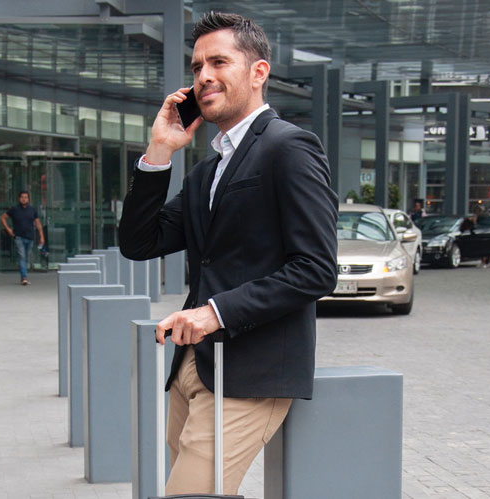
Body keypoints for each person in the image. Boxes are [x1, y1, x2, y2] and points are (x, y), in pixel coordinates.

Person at [118, 12, 338, 495]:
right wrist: (159, 151)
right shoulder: (208, 171)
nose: (203, 76)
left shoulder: (289, 148)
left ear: (258, 72)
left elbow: (317, 269)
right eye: (197, 67)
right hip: (193, 367)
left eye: (219, 62)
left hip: (250, 372)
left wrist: (215, 313)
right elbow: (139, 242)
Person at [1, 191, 44, 285]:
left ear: (28, 199)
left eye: (26, 197)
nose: (24, 199)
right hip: (18, 236)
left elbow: (38, 223)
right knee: (22, 256)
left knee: (26, 257)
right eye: (22, 197)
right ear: (19, 198)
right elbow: (3, 217)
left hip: (30, 237)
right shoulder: (14, 209)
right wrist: (8, 230)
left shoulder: (32, 210)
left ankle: (24, 275)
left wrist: (41, 236)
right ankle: (24, 277)